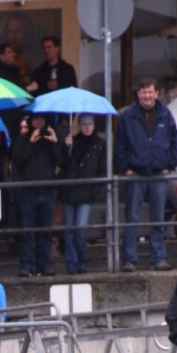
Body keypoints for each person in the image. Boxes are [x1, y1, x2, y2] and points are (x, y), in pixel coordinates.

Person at [115, 78, 177, 272]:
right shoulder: (128, 116)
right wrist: (125, 167)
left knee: (158, 217)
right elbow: (119, 143)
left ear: (157, 93)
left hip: (159, 172)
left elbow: (174, 140)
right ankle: (129, 260)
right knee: (132, 218)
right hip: (136, 173)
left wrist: (170, 163)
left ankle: (158, 258)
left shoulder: (166, 114)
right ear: (138, 94)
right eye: (144, 92)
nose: (147, 96)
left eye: (150, 92)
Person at [12, 112, 62, 277]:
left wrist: (56, 142)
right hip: (28, 192)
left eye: (42, 118)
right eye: (36, 119)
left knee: (45, 232)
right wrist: (31, 142)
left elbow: (60, 161)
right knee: (27, 232)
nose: (39, 122)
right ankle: (26, 266)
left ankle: (44, 265)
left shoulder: (50, 138)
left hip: (47, 191)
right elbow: (17, 160)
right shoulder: (23, 139)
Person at [60, 114, 105, 274]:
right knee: (69, 230)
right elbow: (62, 164)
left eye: (90, 124)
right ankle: (71, 263)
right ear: (79, 125)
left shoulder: (100, 144)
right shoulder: (72, 141)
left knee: (80, 228)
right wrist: (66, 148)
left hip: (87, 192)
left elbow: (102, 170)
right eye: (84, 124)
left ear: (94, 125)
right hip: (69, 191)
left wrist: (94, 192)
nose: (87, 127)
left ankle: (82, 261)